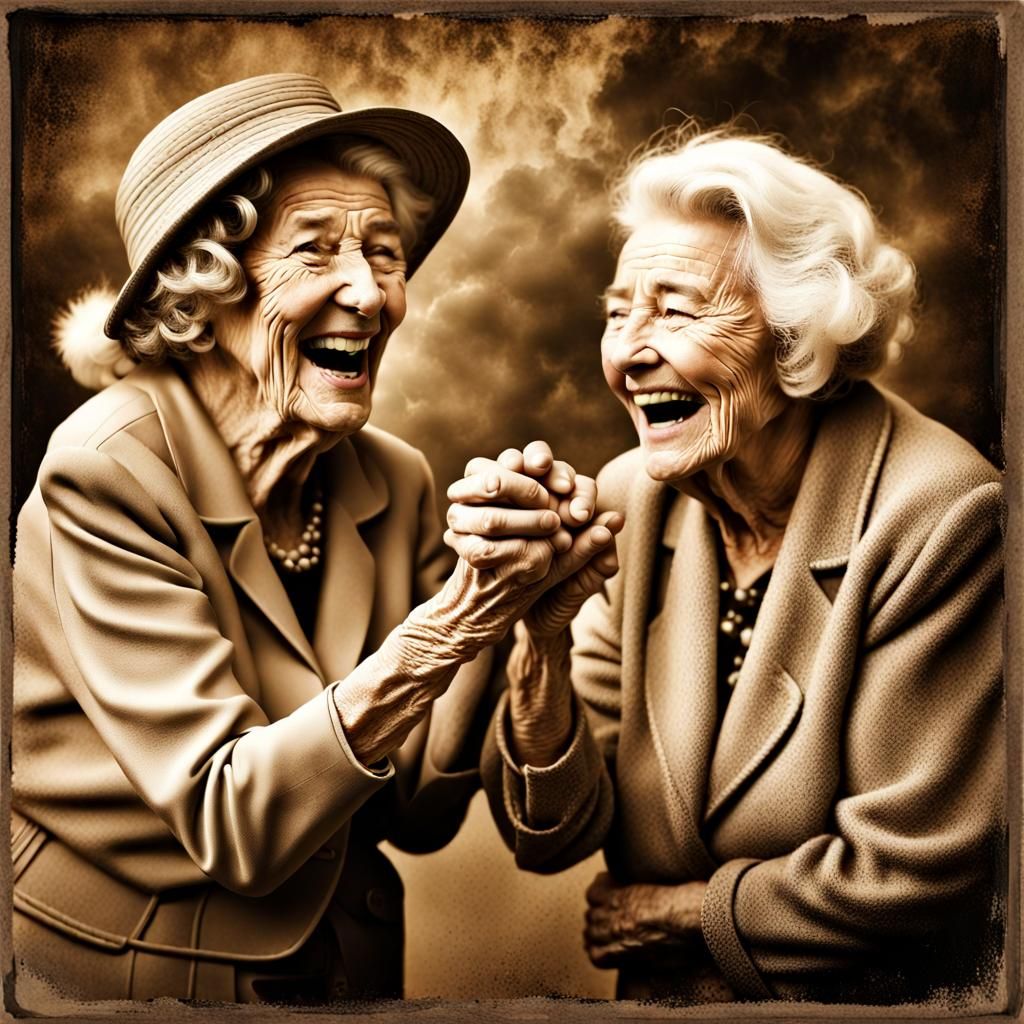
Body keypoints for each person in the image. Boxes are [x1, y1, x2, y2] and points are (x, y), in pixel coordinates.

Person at [11, 74, 619, 1004]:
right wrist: (451, 625)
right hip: (138, 978)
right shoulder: (106, 472)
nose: (371, 294)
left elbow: (417, 809)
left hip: (349, 971)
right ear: (204, 289)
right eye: (316, 252)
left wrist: (527, 622)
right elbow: (235, 821)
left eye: (386, 253)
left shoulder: (395, 476)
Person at [447, 128, 1005, 1004]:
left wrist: (683, 914)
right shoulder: (635, 497)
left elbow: (911, 876)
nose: (629, 353)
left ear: (793, 340)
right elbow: (554, 834)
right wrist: (538, 644)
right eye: (617, 312)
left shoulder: (940, 517)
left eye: (675, 311)